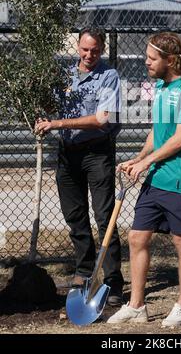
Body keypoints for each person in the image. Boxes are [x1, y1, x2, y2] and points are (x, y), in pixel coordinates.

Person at [107, 32, 181, 327]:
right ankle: (137, 306)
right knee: (137, 237)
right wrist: (139, 158)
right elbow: (158, 132)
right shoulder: (161, 87)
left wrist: (148, 162)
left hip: (180, 177)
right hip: (157, 176)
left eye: (152, 59)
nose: (146, 63)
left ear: (170, 60)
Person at [35, 28, 124, 306]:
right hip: (67, 155)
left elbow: (101, 119)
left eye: (95, 50)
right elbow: (52, 105)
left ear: (102, 49)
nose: (89, 55)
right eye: (85, 50)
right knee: (75, 216)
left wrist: (57, 124)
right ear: (77, 46)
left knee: (104, 216)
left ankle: (113, 280)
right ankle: (84, 271)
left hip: (97, 153)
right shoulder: (65, 76)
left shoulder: (109, 76)